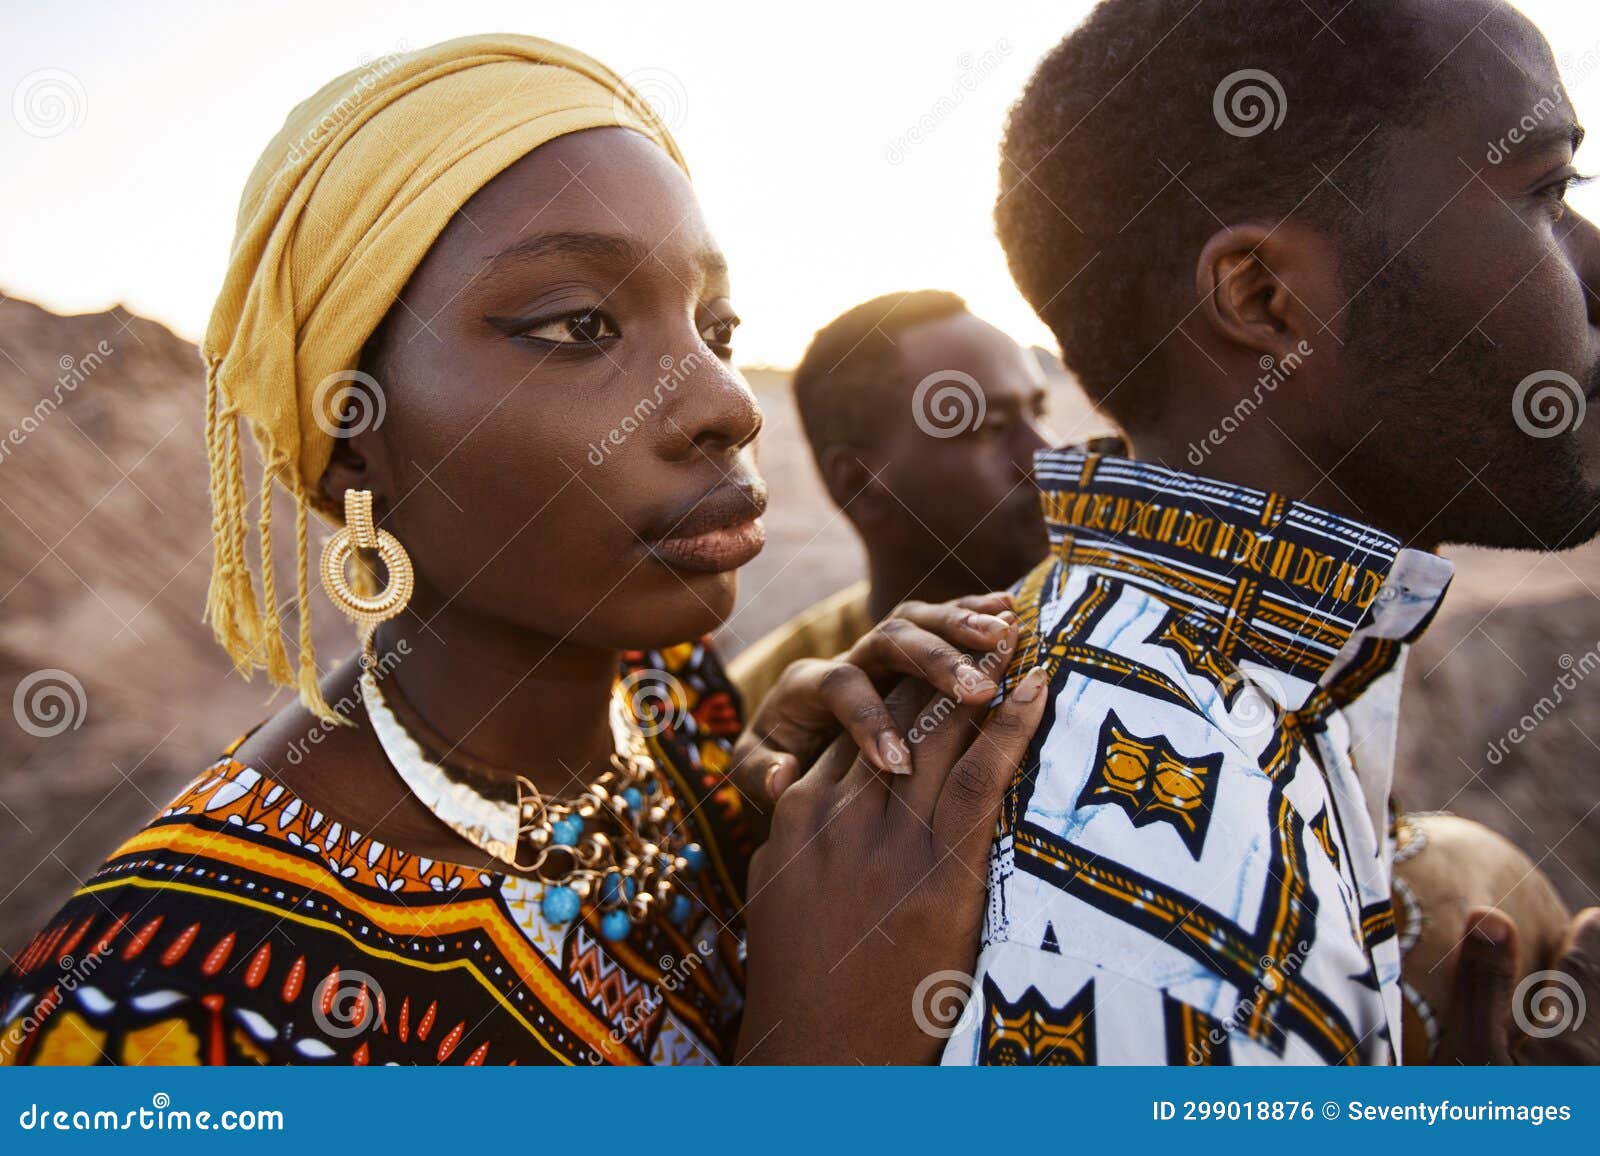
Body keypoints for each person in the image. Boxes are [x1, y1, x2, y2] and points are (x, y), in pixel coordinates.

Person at [0, 35, 1050, 1066]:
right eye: (580, 325)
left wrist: (762, 813)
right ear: (354, 434)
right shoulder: (152, 1008)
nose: (728, 405)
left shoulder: (666, 694)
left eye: (715, 330)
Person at [941, 0, 1600, 1065]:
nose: (1590, 266)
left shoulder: (1240, 688)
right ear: (1263, 296)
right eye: (1545, 194)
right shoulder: (1140, 830)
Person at [731, 290, 1052, 713]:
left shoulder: (1140, 631)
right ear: (860, 482)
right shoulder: (761, 716)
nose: (1045, 458)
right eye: (992, 427)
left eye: (1038, 414)